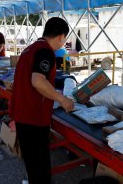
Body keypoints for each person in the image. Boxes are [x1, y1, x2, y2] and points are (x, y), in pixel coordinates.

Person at [9, 17, 74, 184]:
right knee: (40, 169)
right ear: (61, 36)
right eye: (64, 39)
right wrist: (62, 99)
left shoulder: (30, 49)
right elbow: (37, 81)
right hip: (33, 118)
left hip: (22, 114)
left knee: (32, 165)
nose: (63, 43)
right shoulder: (45, 51)